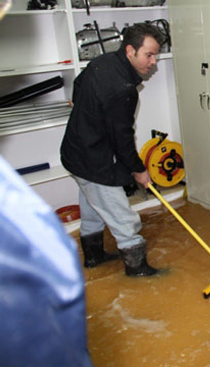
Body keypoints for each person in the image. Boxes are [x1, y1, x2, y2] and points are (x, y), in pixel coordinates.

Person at [60, 23, 164, 277]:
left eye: (156, 55)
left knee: (92, 206)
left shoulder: (102, 62)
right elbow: (123, 138)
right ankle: (137, 270)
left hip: (74, 152)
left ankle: (94, 257)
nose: (154, 62)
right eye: (148, 55)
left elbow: (78, 82)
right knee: (123, 217)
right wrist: (138, 170)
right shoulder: (124, 90)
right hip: (93, 158)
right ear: (130, 50)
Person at [0, 156, 93, 366]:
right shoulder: (10, 209)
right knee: (124, 222)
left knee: (92, 212)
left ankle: (94, 256)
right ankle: (137, 266)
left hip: (80, 160)